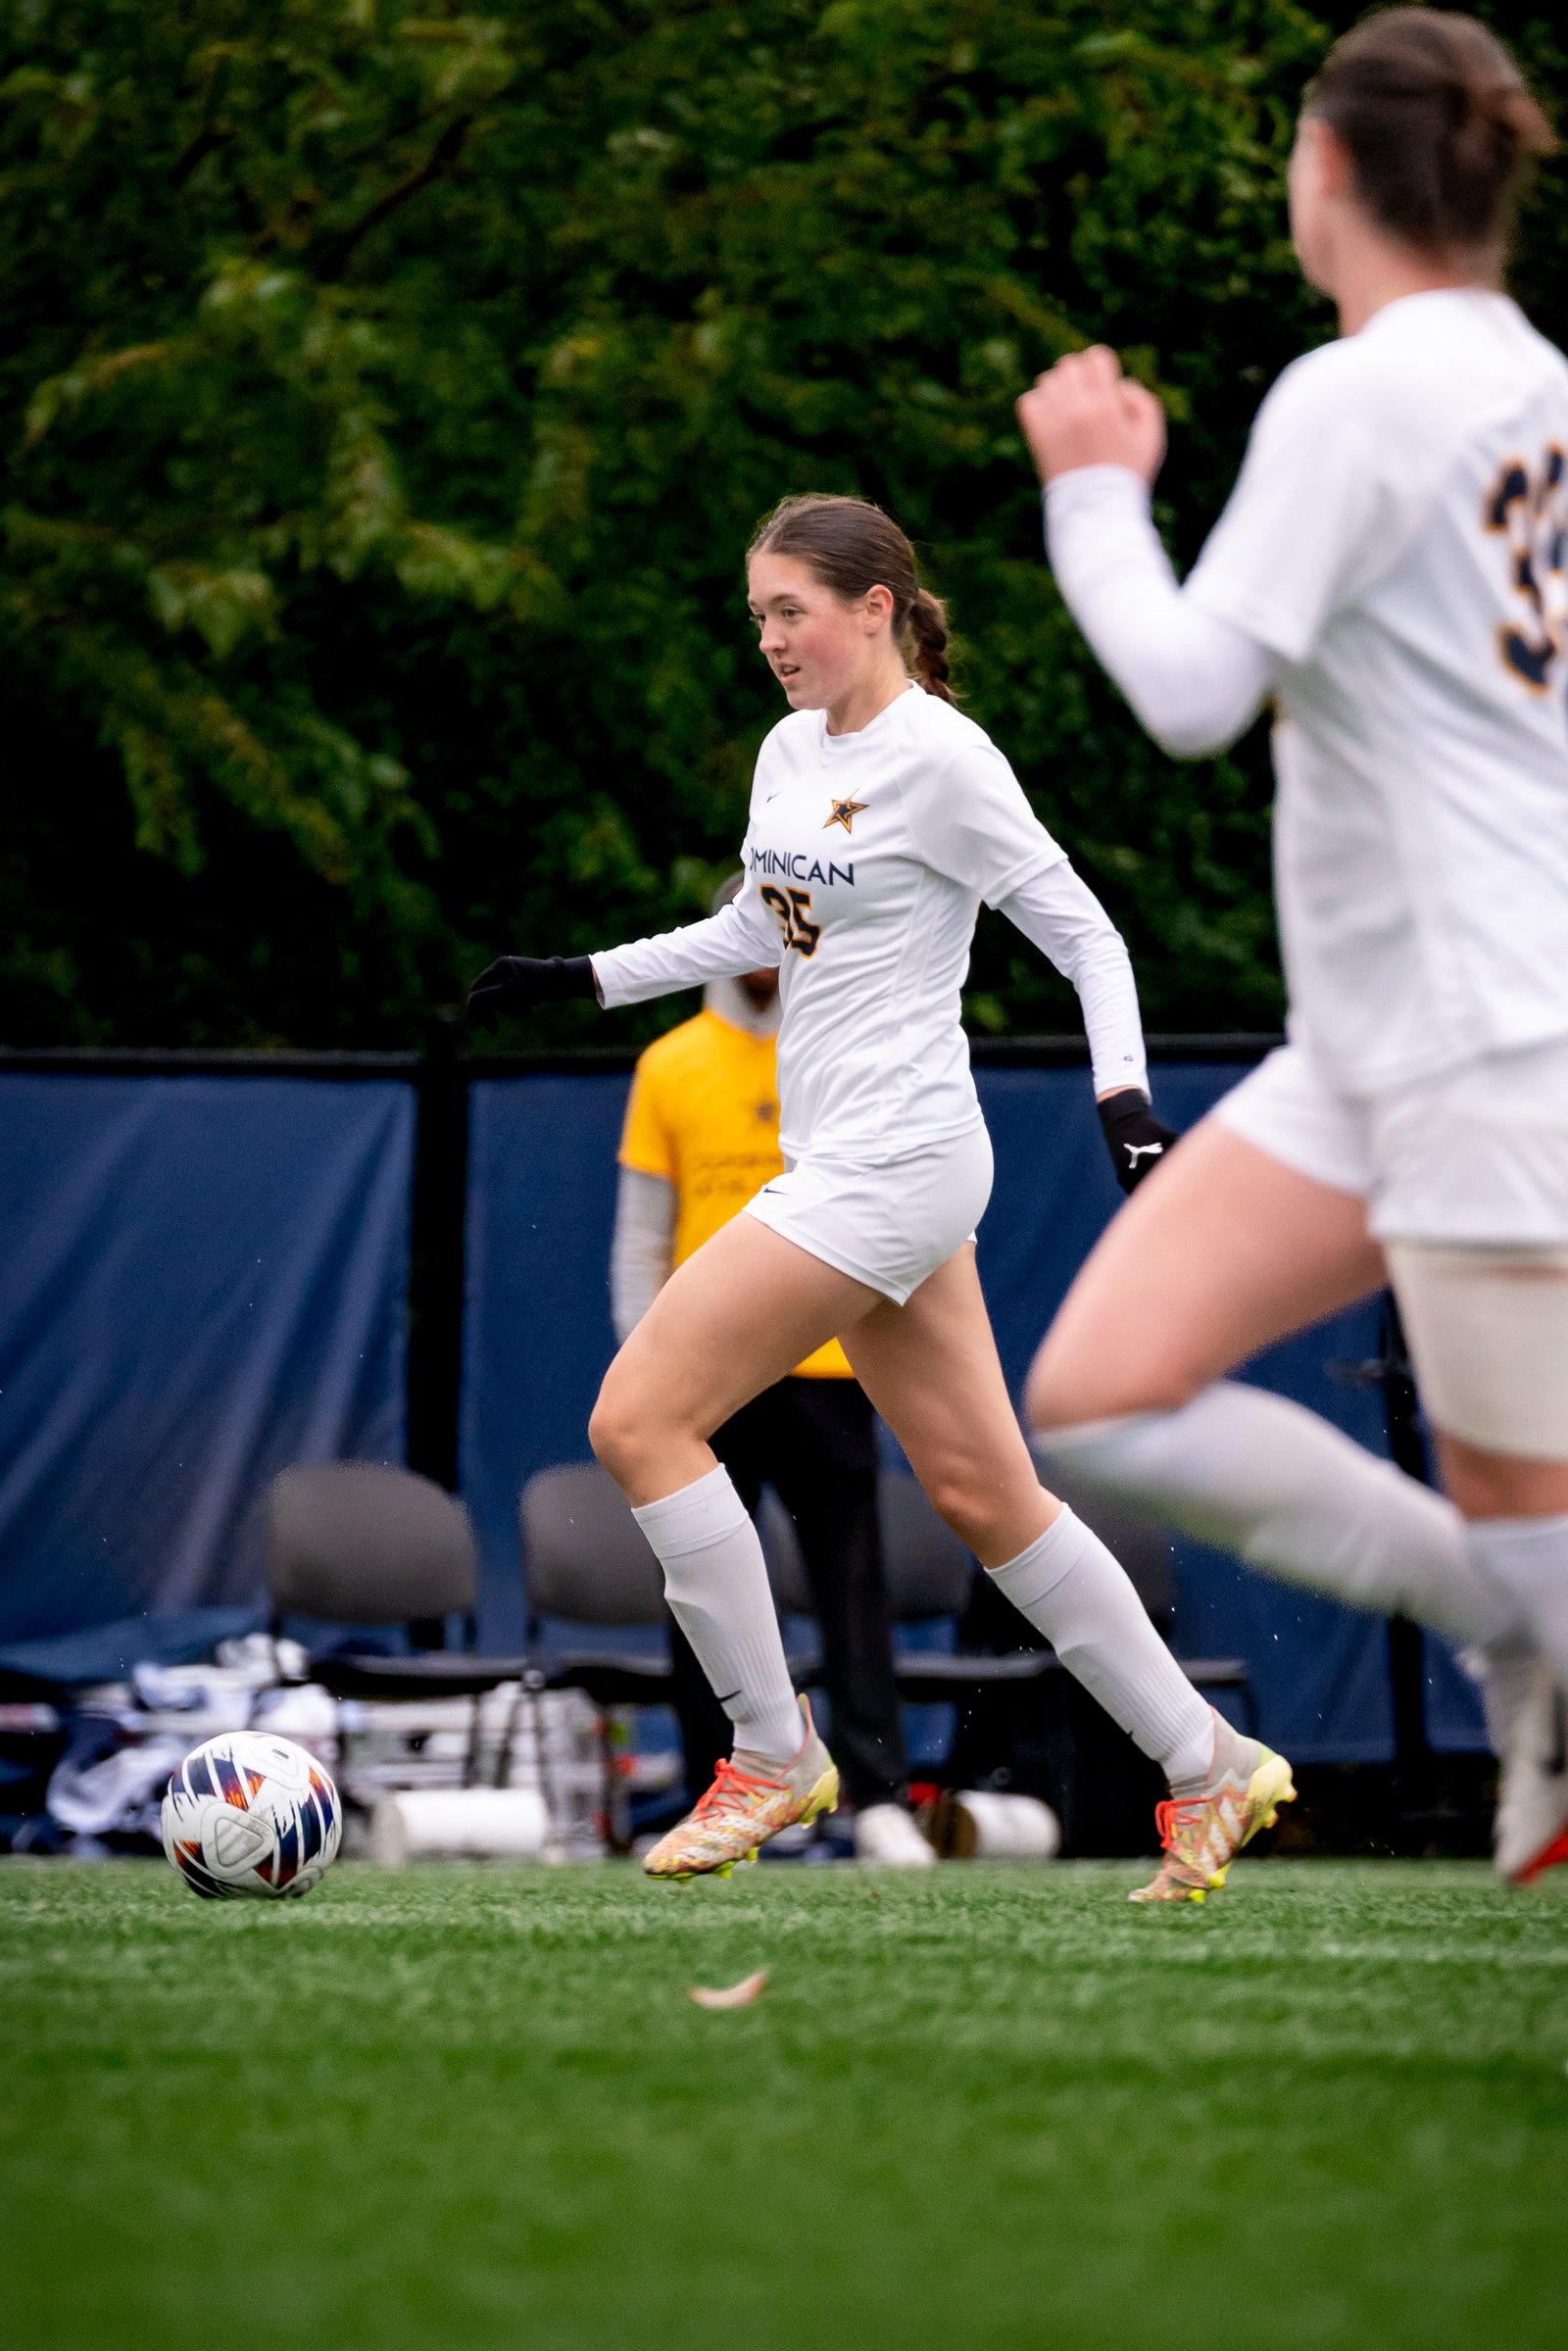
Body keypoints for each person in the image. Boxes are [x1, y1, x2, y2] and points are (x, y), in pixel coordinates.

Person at [471, 490, 1292, 1901]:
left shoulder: (949, 761)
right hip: (851, 1163)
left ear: (878, 606)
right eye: (758, 615)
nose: (772, 638)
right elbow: (756, 927)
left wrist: (1125, 1104)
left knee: (637, 1416)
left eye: (792, 609)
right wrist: (584, 977)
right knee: (987, 1492)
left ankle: (771, 1750)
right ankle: (1211, 1760)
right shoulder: (791, 749)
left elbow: (1087, 934)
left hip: (897, 1163)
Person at [1015, 8, 1568, 1886]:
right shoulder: (1529, 374)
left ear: (1327, 171)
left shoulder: (1365, 390)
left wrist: (1093, 485)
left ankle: (1537, 1650)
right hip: (1383, 1044)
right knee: (1094, 1392)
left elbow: (1185, 691)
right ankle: (1525, 1640)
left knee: (1528, 1519)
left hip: (1489, 1042)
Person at [610, 885, 934, 1867]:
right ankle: (729, 1781)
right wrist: (647, 1364)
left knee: (851, 1586)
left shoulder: (838, 1051)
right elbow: (641, 1240)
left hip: (828, 1365)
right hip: (708, 1372)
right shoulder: (668, 1064)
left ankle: (878, 1795)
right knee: (699, 1583)